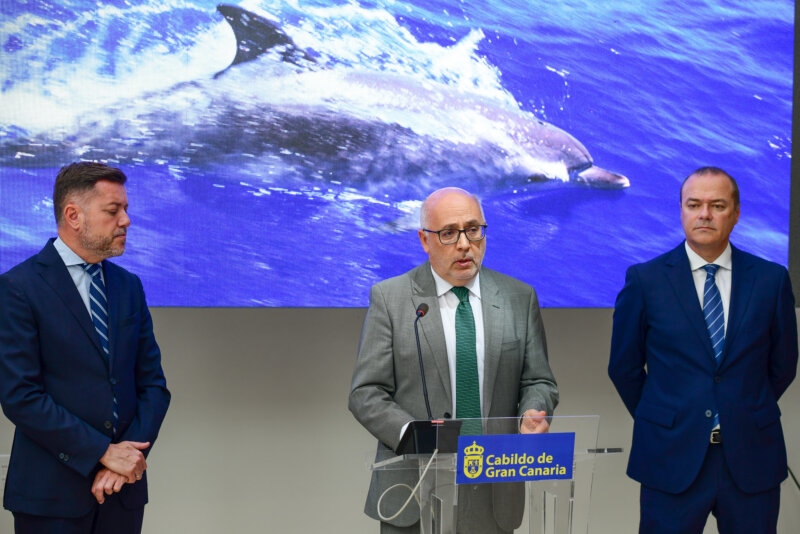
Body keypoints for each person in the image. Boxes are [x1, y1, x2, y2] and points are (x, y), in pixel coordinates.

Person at [349, 187, 558, 533]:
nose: (464, 244)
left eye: (473, 229)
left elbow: (538, 380)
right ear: (424, 240)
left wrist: (533, 412)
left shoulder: (519, 298)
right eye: (448, 233)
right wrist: (412, 435)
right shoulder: (391, 298)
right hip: (413, 493)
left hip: (494, 490)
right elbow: (365, 392)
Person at [608, 167, 797, 533]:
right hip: (670, 456)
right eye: (693, 204)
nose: (704, 214)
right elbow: (624, 368)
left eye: (717, 205)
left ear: (736, 213)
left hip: (750, 456)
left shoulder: (771, 280)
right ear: (681, 210)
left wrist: (742, 407)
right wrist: (667, 417)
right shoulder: (645, 280)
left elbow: (784, 364)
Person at [0, 162, 171, 534]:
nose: (126, 220)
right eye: (113, 211)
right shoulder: (18, 288)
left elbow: (154, 387)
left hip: (122, 492)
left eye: (126, 210)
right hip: (51, 498)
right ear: (73, 216)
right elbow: (20, 396)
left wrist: (123, 460)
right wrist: (102, 453)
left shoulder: (129, 286)